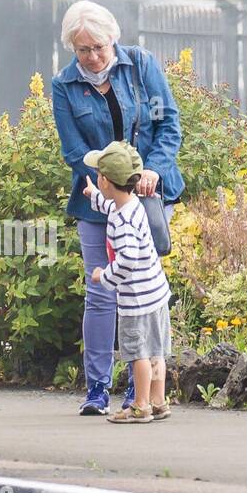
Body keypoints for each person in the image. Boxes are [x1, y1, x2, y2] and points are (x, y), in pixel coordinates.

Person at [51, 1, 184, 415]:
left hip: (149, 196)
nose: (91, 57)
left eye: (98, 47)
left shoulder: (141, 66)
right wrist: (109, 187)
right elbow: (74, 150)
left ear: (114, 39)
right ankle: (97, 389)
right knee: (102, 291)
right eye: (82, 50)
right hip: (96, 200)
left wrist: (153, 172)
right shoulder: (64, 85)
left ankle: (140, 391)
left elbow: (168, 125)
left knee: (143, 295)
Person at [83, 141, 172, 424]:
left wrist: (104, 277)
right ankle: (158, 402)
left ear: (105, 180)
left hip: (136, 300)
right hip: (156, 293)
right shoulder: (133, 204)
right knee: (157, 352)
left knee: (139, 355)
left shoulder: (120, 222)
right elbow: (110, 205)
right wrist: (94, 196)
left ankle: (140, 406)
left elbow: (128, 259)